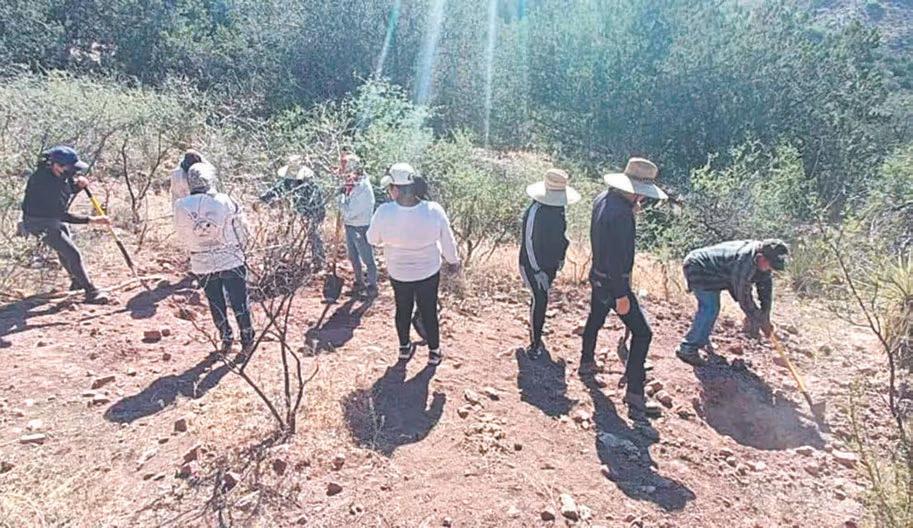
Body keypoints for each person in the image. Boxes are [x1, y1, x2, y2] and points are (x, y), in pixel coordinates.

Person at [581, 157, 668, 421]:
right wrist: (621, 294)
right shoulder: (621, 215)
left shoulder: (603, 199)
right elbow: (617, 258)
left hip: (598, 276)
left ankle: (586, 361)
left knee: (596, 318)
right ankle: (635, 393)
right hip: (613, 283)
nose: (642, 199)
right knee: (643, 333)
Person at [367, 163, 460, 366]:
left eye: (390, 187)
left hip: (399, 273)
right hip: (428, 272)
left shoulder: (384, 212)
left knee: (403, 309)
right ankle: (434, 352)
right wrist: (453, 261)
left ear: (396, 189)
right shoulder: (433, 210)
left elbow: (372, 239)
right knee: (429, 311)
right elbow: (448, 240)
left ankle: (404, 348)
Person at [174, 163, 255, 356]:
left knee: (215, 303)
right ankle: (247, 340)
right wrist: (243, 249)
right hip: (230, 259)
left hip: (202, 262)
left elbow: (182, 234)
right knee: (239, 301)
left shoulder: (180, 206)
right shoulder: (224, 200)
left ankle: (226, 339)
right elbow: (242, 227)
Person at [675, 239, 790, 366]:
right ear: (760, 257)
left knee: (711, 307)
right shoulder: (744, 262)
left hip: (716, 271)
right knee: (710, 307)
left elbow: (765, 291)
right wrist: (758, 319)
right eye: (770, 265)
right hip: (698, 266)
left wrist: (765, 317)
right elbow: (743, 297)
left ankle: (701, 337)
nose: (770, 269)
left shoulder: (763, 259)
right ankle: (688, 348)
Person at [20, 146, 111, 304]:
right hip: (38, 222)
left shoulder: (59, 175)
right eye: (70, 168)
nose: (73, 172)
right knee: (72, 253)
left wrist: (78, 187)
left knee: (65, 250)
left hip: (51, 218)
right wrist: (92, 220)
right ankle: (91, 292)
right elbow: (61, 214)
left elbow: (65, 191)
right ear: (56, 165)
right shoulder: (43, 182)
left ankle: (77, 282)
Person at [519, 168, 580, 359]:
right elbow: (528, 242)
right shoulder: (535, 211)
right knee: (541, 299)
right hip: (532, 264)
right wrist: (537, 270)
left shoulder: (558, 209)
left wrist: (561, 257)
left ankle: (536, 328)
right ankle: (534, 344)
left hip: (550, 264)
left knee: (539, 299)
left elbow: (561, 236)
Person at [260, 155, 326, 269]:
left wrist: (310, 215)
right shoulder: (288, 181)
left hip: (314, 212)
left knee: (313, 235)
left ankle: (319, 261)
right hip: (301, 212)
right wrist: (264, 198)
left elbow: (316, 202)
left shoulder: (309, 185)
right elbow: (277, 189)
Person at [337, 154, 378, 298]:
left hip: (361, 226)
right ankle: (359, 283)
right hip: (350, 225)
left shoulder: (363, 188)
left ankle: (372, 286)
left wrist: (340, 198)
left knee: (367, 259)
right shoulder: (353, 185)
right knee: (353, 257)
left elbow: (349, 213)